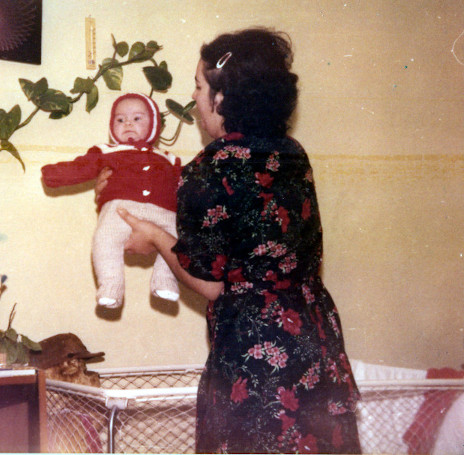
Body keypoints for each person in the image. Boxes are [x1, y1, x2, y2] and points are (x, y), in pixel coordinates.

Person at [101, 28, 361, 453]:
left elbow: (211, 284)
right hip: (316, 342)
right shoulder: (293, 153)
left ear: (222, 98)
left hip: (255, 358)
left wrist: (153, 234)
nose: (196, 98)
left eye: (200, 87)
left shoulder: (212, 165)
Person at [42, 93, 182, 308]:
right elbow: (82, 167)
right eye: (120, 119)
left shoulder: (170, 159)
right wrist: (53, 174)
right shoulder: (106, 151)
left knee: (176, 240)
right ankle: (111, 285)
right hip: (119, 210)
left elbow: (188, 187)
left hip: (165, 214)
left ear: (154, 124)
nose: (127, 123)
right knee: (104, 240)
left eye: (137, 118)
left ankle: (165, 280)